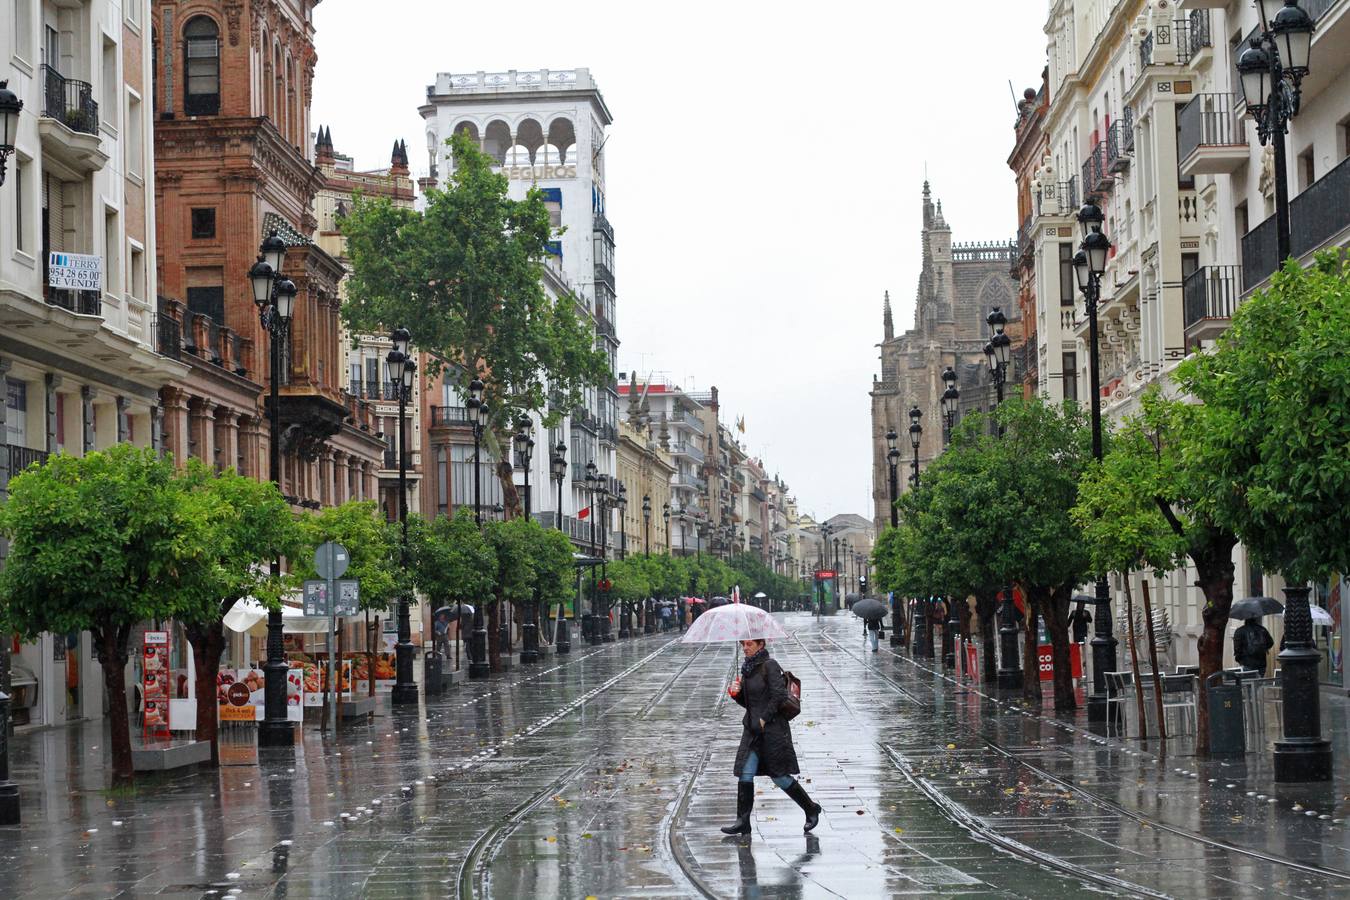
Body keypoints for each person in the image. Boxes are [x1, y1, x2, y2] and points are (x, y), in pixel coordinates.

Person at [723, 638, 821, 835]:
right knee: (745, 773)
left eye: (749, 644)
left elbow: (779, 696)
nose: (745, 648)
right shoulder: (747, 670)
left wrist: (764, 718)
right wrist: (737, 694)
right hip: (752, 731)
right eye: (743, 644)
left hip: (772, 731)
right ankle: (743, 821)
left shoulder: (770, 666)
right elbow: (750, 703)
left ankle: (810, 808)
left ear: (761, 645)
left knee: (779, 776)